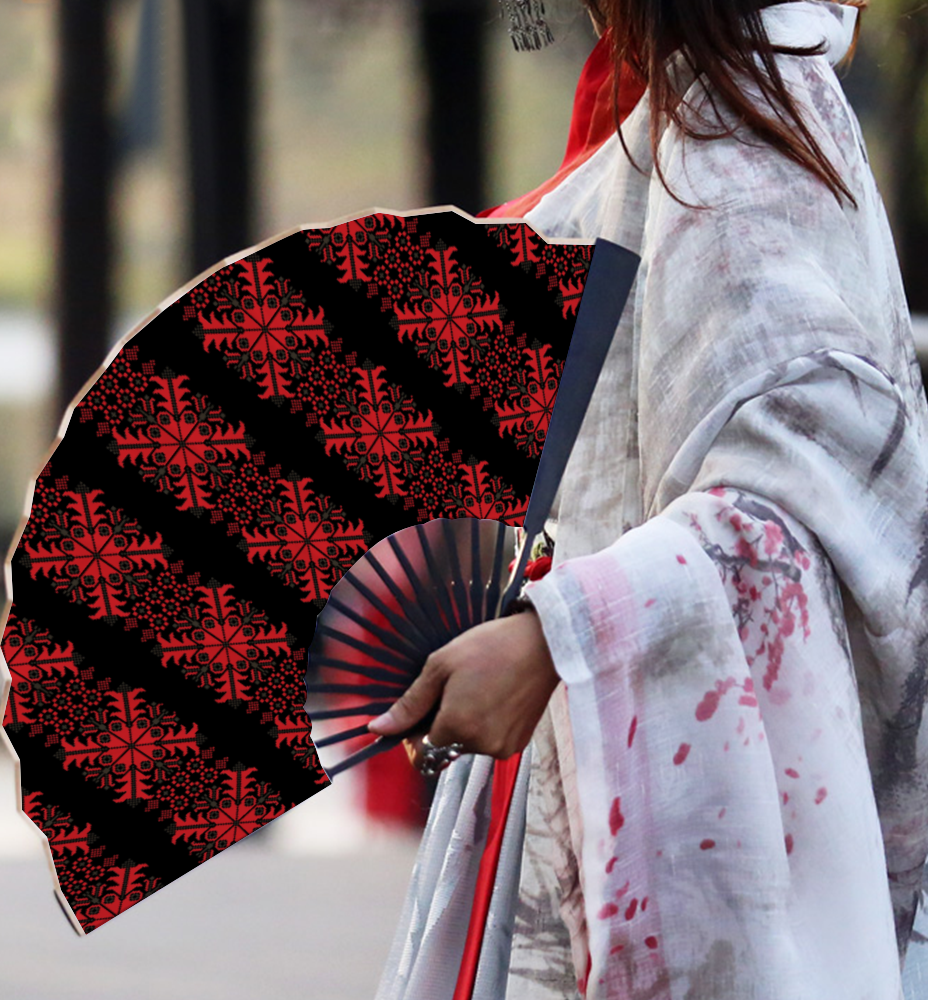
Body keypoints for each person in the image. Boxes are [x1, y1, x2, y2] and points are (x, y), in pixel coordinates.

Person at [368, 0, 928, 997]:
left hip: (673, 771)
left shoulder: (740, 152)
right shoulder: (704, 121)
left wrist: (554, 635)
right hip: (597, 746)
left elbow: (803, 497)